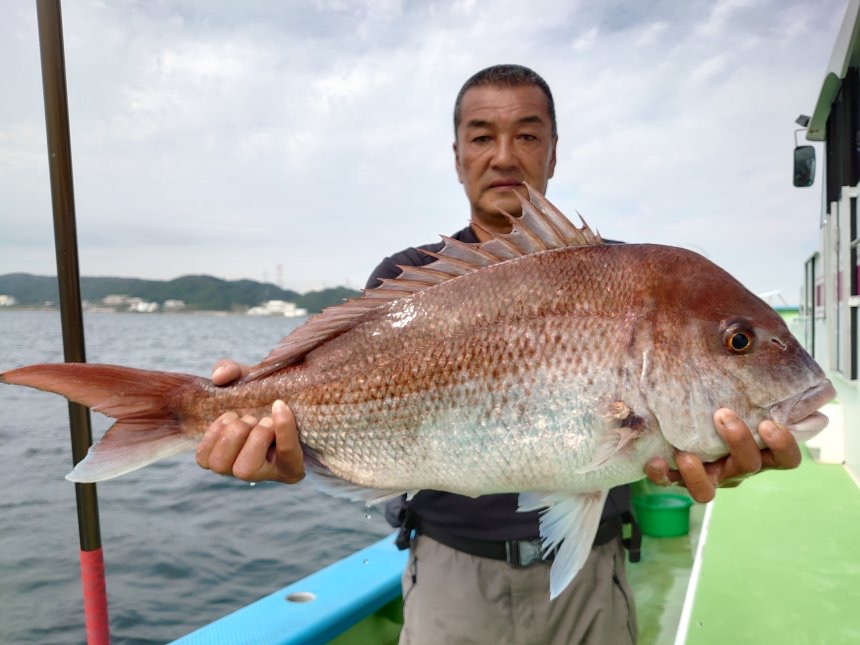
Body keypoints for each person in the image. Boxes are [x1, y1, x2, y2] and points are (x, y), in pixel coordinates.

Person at [195, 65, 803, 644]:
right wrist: (269, 422)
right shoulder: (405, 279)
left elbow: (652, 444)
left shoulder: (629, 275)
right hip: (450, 579)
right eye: (482, 136)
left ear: (554, 153)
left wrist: (719, 458)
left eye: (528, 135)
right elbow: (325, 394)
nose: (505, 155)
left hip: (594, 574)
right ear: (458, 155)